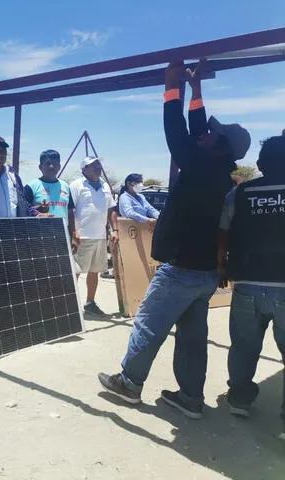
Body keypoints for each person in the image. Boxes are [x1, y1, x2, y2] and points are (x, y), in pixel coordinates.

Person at [98, 60, 251, 419]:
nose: (206, 134)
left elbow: (175, 129)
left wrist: (172, 87)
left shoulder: (199, 168)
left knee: (149, 323)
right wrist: (195, 90)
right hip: (205, 275)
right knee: (193, 337)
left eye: (213, 135)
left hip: (181, 271)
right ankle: (189, 398)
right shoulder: (219, 175)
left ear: (219, 147)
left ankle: (129, 384)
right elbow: (196, 131)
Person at [218, 135, 285, 438]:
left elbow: (223, 233)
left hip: (246, 283)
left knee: (244, 348)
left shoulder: (240, 193)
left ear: (259, 164)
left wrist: (222, 267)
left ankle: (239, 399)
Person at [70, 156, 118, 315]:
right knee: (75, 271)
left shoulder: (104, 186)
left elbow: (111, 209)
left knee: (95, 271)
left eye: (98, 164)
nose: (98, 167)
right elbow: (71, 210)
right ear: (84, 169)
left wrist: (114, 230)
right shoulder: (76, 185)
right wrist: (73, 231)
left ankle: (90, 303)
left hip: (100, 236)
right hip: (81, 236)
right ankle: (70, 305)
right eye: (93, 165)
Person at [25, 149, 79, 250]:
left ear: (59, 166)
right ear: (40, 167)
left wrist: (73, 235)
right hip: (39, 237)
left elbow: (70, 212)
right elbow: (24, 211)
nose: (51, 167)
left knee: (62, 265)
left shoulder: (65, 186)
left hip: (63, 236)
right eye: (48, 164)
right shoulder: (31, 186)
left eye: (55, 164)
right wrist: (38, 209)